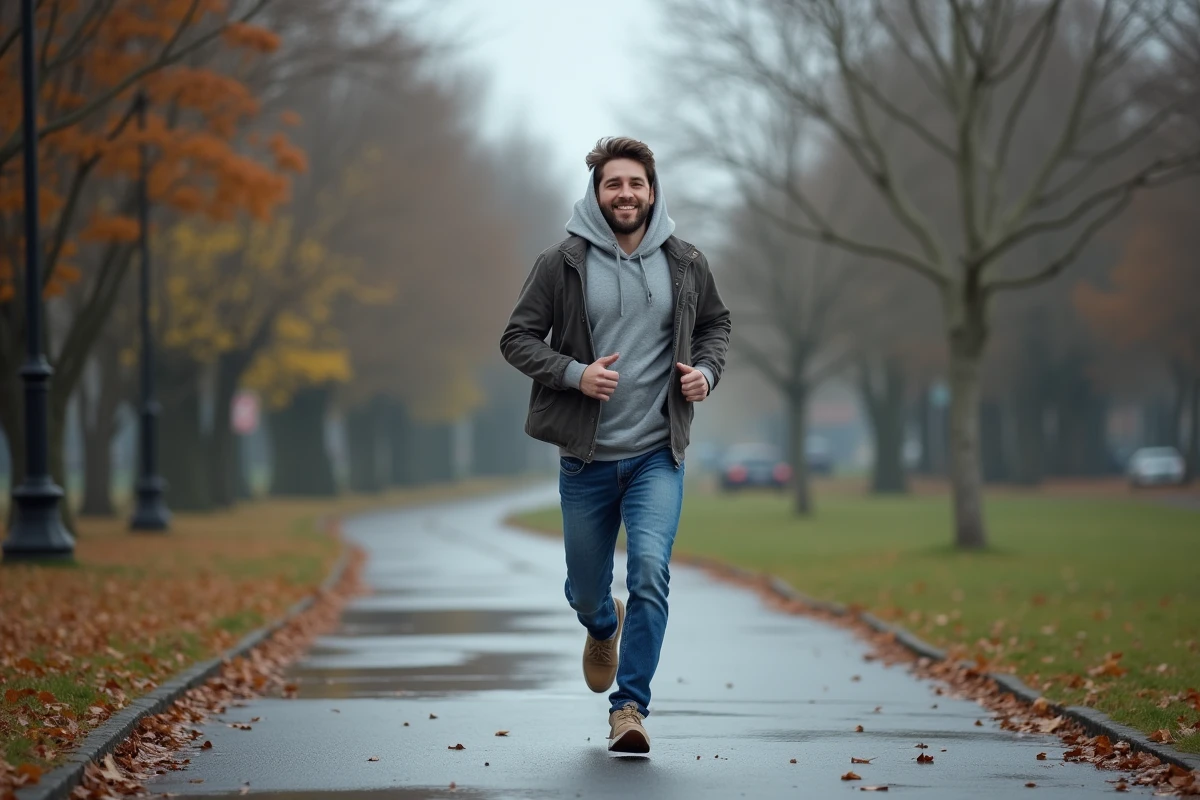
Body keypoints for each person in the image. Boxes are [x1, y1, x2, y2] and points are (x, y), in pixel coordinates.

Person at [500, 137, 731, 753]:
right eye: (613, 184)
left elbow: (716, 325)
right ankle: (602, 625)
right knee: (585, 590)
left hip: (659, 452)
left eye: (636, 184)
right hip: (585, 457)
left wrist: (704, 373)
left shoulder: (685, 262)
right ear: (596, 193)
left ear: (652, 192)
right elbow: (517, 338)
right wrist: (576, 374)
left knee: (651, 572)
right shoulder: (562, 263)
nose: (625, 194)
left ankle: (629, 708)